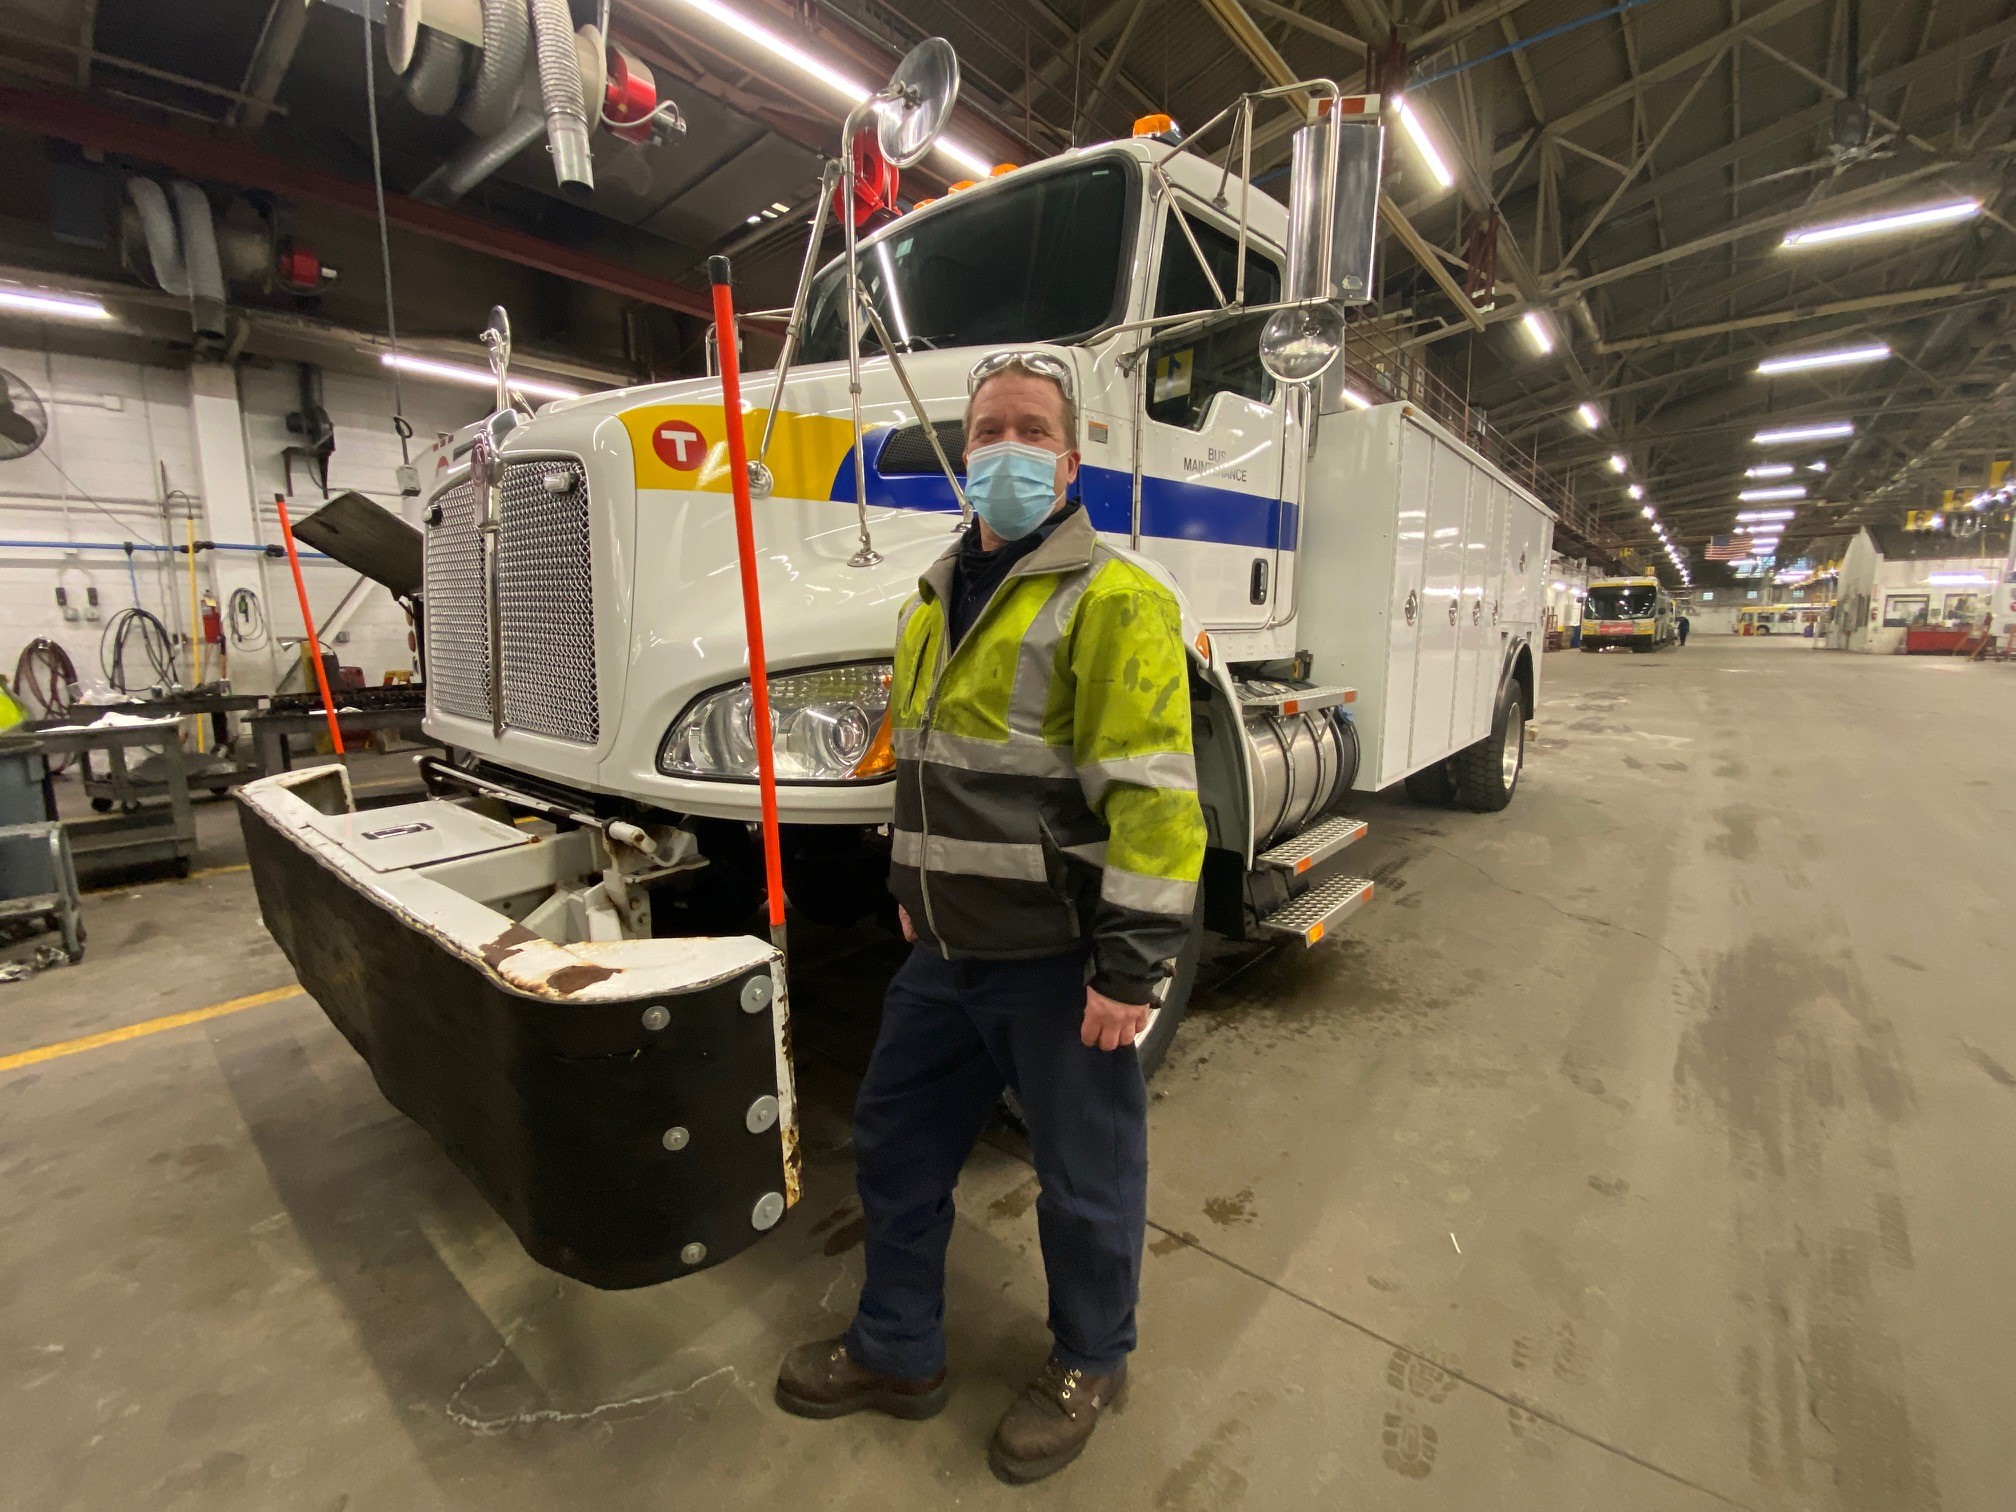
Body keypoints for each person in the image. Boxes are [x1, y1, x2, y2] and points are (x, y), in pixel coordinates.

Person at [775, 352, 1206, 1485]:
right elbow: (925, 781)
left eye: (1028, 429)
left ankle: (1090, 1359)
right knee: (896, 1143)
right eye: (985, 432)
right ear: (964, 458)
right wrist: (914, 900)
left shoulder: (1117, 604)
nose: (1002, 448)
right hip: (944, 957)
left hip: (1060, 964)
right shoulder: (930, 602)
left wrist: (1131, 970)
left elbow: (1157, 807)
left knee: (1085, 1177)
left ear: (1067, 463)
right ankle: (898, 1347)